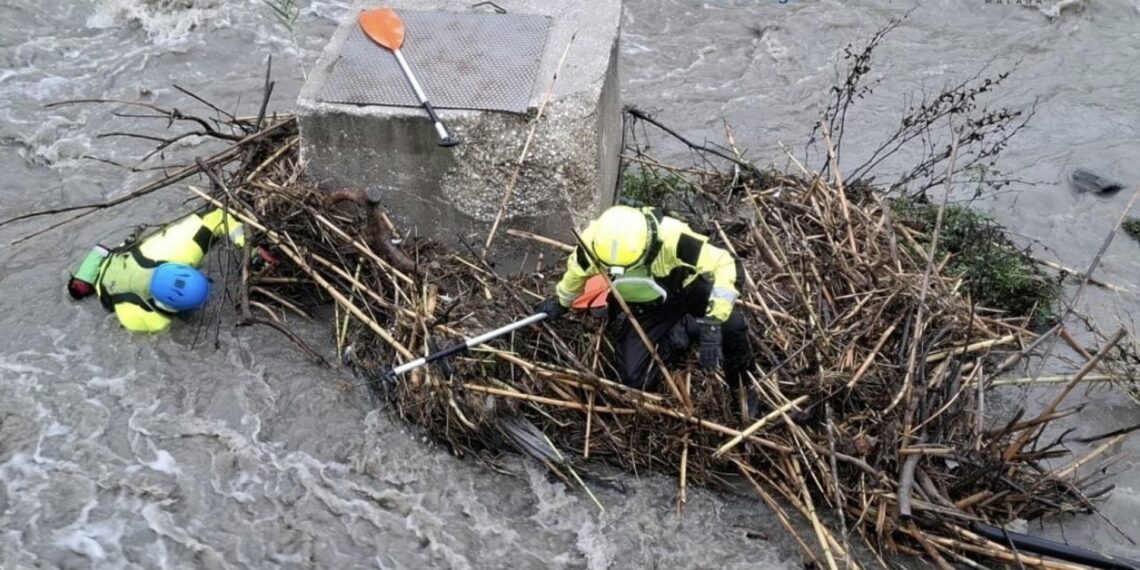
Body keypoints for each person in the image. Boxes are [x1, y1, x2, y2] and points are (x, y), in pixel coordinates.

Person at [536, 205, 756, 397]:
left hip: (687, 289)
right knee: (634, 379)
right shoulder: (593, 243)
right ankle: (681, 332)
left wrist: (714, 321)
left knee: (733, 327)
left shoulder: (672, 236)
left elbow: (725, 263)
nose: (617, 272)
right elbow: (577, 273)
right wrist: (561, 302)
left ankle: (743, 388)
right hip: (647, 308)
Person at [67, 207, 268, 333]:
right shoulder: (149, 321)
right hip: (108, 269)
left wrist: (251, 249)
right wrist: (250, 250)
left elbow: (217, 215)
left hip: (110, 272)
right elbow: (217, 217)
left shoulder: (176, 251)